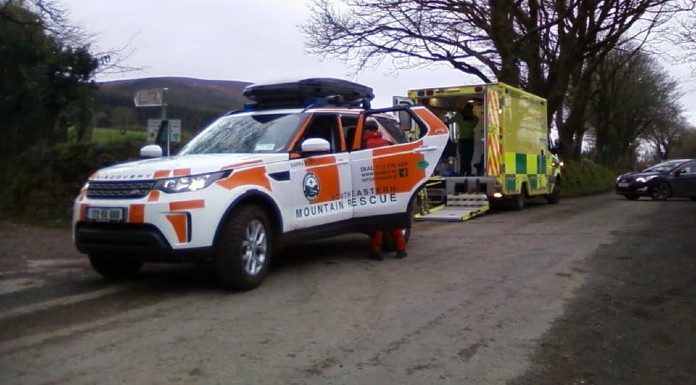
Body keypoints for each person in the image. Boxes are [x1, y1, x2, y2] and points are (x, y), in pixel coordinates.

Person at [362, 120, 408, 260]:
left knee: (378, 223)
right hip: (391, 185)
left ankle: (376, 252)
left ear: (367, 131)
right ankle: (401, 250)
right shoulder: (387, 143)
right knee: (393, 221)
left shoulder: (365, 146)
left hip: (375, 186)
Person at [453, 104, 479, 176]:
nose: (469, 111)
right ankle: (464, 171)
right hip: (464, 139)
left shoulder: (472, 117)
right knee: (464, 157)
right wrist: (460, 112)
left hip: (467, 139)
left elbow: (475, 121)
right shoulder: (460, 116)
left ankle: (466, 171)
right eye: (468, 109)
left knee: (467, 157)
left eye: (470, 110)